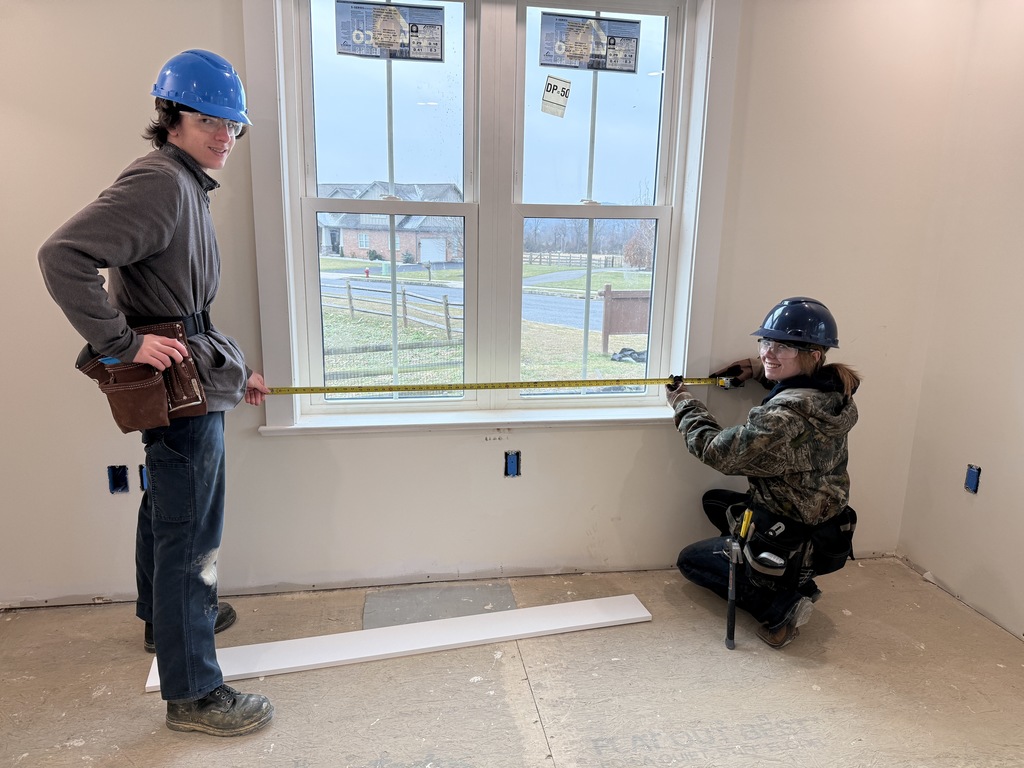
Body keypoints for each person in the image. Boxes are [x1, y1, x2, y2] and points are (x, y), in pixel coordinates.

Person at [38, 49, 273, 735]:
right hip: (173, 382)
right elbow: (63, 256)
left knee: (169, 510)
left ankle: (163, 620)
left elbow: (188, 309)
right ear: (171, 117)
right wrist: (122, 344)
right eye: (209, 120)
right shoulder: (160, 182)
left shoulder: (186, 183)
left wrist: (238, 370)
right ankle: (195, 691)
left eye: (234, 125)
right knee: (188, 530)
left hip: (191, 371)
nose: (225, 135)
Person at [666, 297, 861, 648]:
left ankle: (780, 603)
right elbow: (798, 400)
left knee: (690, 561)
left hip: (788, 534)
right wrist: (757, 371)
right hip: (825, 526)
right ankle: (794, 579)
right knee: (716, 501)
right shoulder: (836, 396)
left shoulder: (781, 420)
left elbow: (716, 451)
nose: (769, 352)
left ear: (813, 355)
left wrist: (683, 403)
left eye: (782, 346)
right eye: (766, 342)